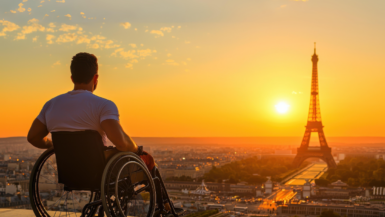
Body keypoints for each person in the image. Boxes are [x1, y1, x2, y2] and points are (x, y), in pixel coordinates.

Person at [27, 52, 155, 172]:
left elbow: (33, 137)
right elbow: (121, 142)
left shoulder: (50, 105)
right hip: (100, 172)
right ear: (95, 78)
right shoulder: (103, 105)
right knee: (149, 164)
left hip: (70, 173)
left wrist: (55, 145)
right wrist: (137, 150)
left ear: (72, 78)